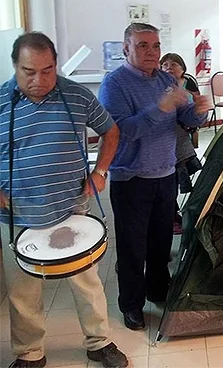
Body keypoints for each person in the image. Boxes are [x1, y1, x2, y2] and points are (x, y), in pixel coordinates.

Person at [0, 32, 128, 368]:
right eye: (29, 71)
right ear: (15, 66)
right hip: (18, 216)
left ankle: (99, 343)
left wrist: (100, 171)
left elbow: (110, 131)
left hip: (71, 210)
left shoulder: (76, 95)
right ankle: (30, 353)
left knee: (87, 284)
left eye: (47, 70)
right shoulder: (0, 103)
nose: (39, 79)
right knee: (23, 292)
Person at [99, 23, 210, 331]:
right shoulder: (114, 84)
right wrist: (160, 107)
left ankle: (158, 289)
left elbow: (184, 118)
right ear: (126, 49)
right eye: (143, 45)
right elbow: (122, 133)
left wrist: (199, 110)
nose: (151, 52)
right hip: (131, 178)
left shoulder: (165, 78)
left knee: (161, 242)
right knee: (133, 247)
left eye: (156, 46)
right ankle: (131, 304)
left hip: (166, 172)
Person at [160, 53, 204, 233]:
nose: (169, 67)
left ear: (183, 69)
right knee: (171, 179)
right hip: (170, 138)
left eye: (174, 64)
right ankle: (171, 213)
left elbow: (193, 111)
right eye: (165, 65)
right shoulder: (161, 85)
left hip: (183, 132)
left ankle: (173, 213)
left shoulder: (189, 84)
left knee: (174, 179)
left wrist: (199, 109)